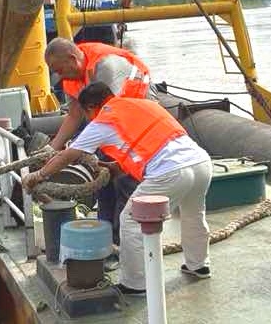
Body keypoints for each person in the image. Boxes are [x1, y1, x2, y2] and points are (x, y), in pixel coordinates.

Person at [24, 81, 212, 295]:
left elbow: (69, 154)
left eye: (86, 115)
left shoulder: (104, 119)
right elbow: (151, 143)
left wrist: (38, 175)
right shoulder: (143, 105)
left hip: (169, 171)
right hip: (200, 162)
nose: (88, 119)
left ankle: (135, 283)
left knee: (130, 220)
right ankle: (199, 265)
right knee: (193, 214)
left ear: (91, 108)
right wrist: (116, 167)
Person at [44, 37, 154, 259]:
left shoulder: (106, 66)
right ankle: (107, 242)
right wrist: (52, 149)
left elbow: (109, 112)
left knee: (125, 183)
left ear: (72, 59)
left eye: (59, 69)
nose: (59, 75)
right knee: (103, 182)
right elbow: (74, 115)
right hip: (112, 126)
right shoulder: (72, 77)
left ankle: (124, 247)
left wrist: (70, 153)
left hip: (136, 124)